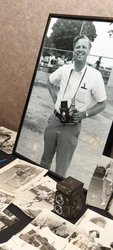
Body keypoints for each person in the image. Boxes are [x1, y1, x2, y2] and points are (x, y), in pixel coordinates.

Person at [40, 35, 107, 177]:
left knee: (61, 169)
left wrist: (85, 114)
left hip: (71, 127)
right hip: (55, 120)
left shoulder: (95, 76)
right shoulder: (64, 69)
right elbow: (50, 81)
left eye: (84, 47)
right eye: (78, 47)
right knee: (44, 162)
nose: (80, 49)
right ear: (73, 50)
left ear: (89, 50)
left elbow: (102, 103)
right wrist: (55, 98)